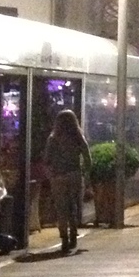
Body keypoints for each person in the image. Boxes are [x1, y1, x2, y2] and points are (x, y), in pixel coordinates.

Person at [43, 109, 90, 255]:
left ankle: (64, 238)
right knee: (73, 206)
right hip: (75, 174)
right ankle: (73, 235)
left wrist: (51, 174)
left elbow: (46, 160)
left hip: (58, 177)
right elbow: (87, 155)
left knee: (61, 208)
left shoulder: (53, 138)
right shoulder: (78, 136)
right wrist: (86, 174)